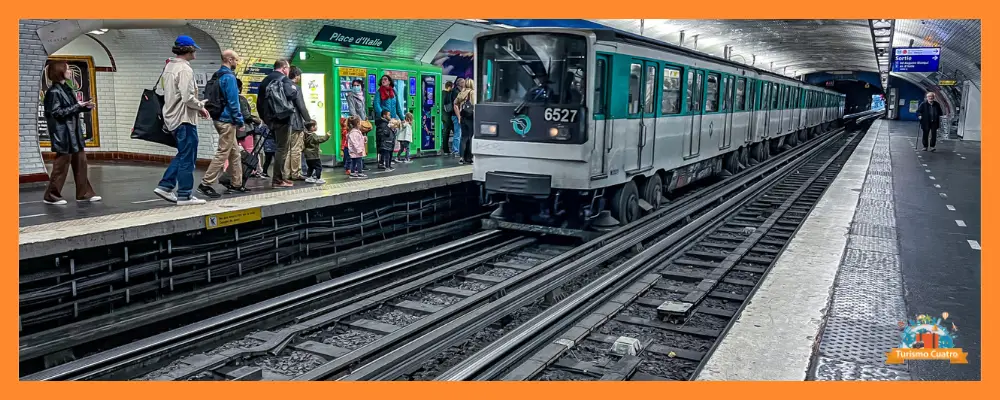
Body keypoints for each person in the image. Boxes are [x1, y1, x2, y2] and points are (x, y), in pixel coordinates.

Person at [154, 35, 210, 205]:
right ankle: (185, 194)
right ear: (188, 50)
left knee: (184, 154)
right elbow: (187, 97)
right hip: (184, 119)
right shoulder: (185, 69)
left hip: (172, 116)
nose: (195, 53)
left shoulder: (169, 66)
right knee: (188, 157)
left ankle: (165, 185)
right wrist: (200, 105)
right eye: (194, 49)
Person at [41, 60, 100, 205]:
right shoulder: (53, 92)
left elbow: (71, 108)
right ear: (59, 71)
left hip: (73, 133)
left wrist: (83, 107)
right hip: (63, 135)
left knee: (81, 163)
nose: (70, 72)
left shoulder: (66, 89)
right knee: (61, 167)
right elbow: (56, 113)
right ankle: (51, 195)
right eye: (67, 69)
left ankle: (84, 193)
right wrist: (77, 107)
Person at [198, 49, 248, 198]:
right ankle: (205, 184)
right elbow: (234, 102)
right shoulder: (229, 78)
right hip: (227, 120)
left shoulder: (217, 75)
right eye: (236, 60)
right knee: (223, 153)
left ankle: (236, 183)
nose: (237, 63)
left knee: (235, 153)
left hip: (218, 118)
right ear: (230, 60)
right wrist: (240, 121)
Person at [257, 59, 296, 188]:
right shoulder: (284, 80)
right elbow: (291, 95)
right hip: (283, 119)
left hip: (270, 120)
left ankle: (278, 178)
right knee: (281, 149)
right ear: (284, 68)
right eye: (288, 68)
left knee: (278, 147)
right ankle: (278, 180)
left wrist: (265, 120)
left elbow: (259, 103)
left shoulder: (265, 80)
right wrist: (295, 89)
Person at [284, 66, 311, 182]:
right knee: (296, 149)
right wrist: (308, 120)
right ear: (296, 76)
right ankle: (296, 173)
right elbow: (301, 106)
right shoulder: (296, 88)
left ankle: (285, 173)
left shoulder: (282, 85)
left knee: (286, 149)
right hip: (295, 122)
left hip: (284, 122)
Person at [454, 78, 476, 164]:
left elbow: (455, 103)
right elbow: (474, 106)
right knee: (470, 137)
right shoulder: (472, 92)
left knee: (463, 137)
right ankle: (469, 158)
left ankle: (461, 157)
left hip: (463, 117)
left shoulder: (461, 93)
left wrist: (459, 116)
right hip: (470, 118)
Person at [301, 120, 330, 184]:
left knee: (310, 167)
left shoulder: (305, 135)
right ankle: (318, 178)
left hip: (308, 155)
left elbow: (310, 144)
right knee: (318, 167)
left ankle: (308, 177)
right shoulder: (313, 135)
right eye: (315, 126)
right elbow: (319, 140)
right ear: (311, 128)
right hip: (314, 155)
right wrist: (327, 136)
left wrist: (318, 148)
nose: (316, 127)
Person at [449, 77, 466, 157]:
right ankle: (456, 150)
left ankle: (455, 149)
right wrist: (459, 117)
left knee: (458, 133)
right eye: (463, 82)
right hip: (456, 115)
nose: (464, 83)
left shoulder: (456, 91)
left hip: (455, 115)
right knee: (458, 133)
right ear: (459, 84)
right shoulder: (456, 92)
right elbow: (455, 106)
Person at [441, 80, 455, 155]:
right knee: (455, 131)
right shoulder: (448, 94)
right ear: (449, 87)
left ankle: (445, 149)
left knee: (445, 133)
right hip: (448, 115)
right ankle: (455, 149)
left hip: (443, 116)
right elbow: (450, 105)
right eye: (452, 87)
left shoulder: (441, 93)